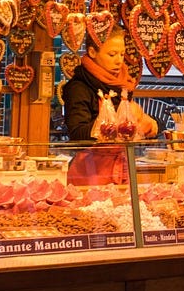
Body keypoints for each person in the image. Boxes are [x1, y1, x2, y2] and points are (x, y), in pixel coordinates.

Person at [61, 29, 157, 184]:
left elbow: (131, 128)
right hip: (90, 176)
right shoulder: (78, 88)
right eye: (112, 55)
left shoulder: (122, 84)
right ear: (92, 52)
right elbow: (77, 135)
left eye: (121, 54)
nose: (119, 61)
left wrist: (148, 124)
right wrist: (119, 121)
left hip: (121, 172)